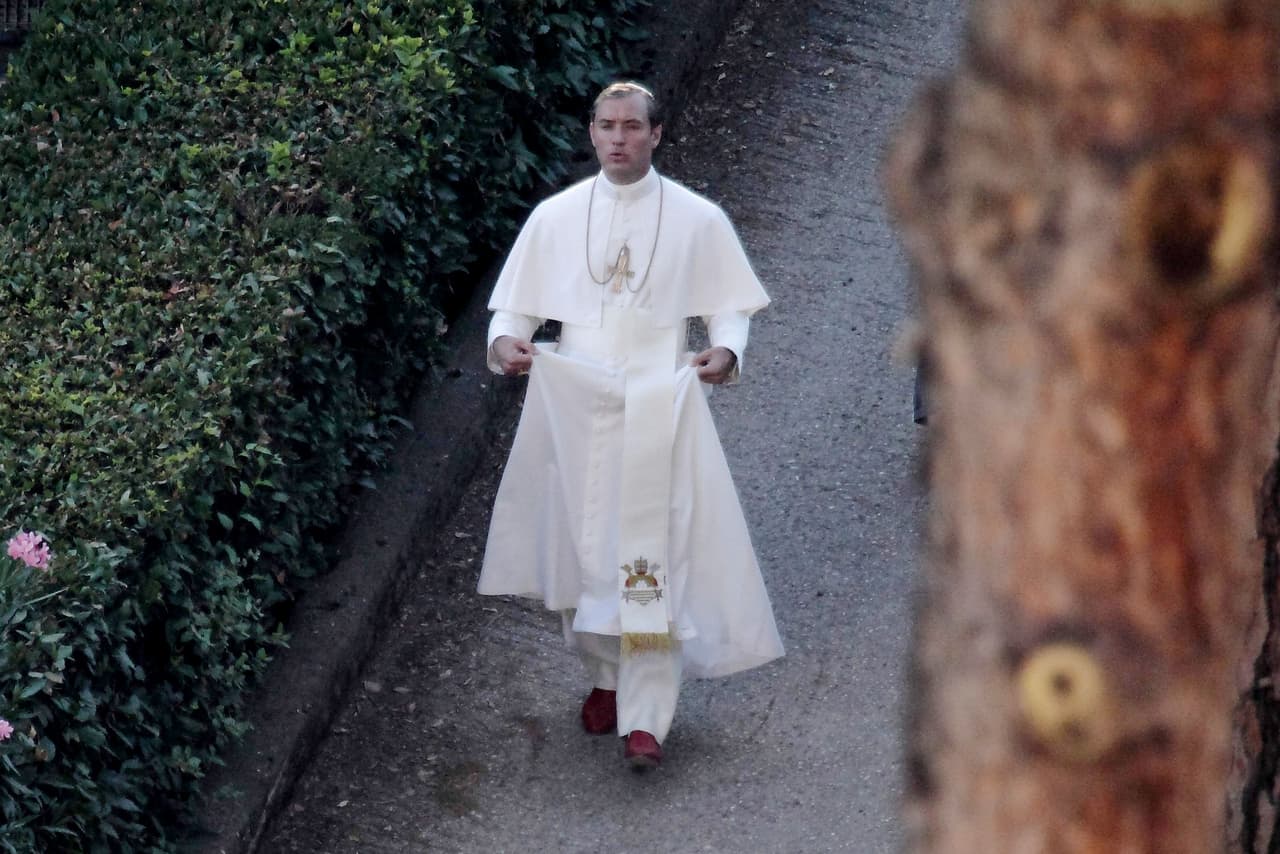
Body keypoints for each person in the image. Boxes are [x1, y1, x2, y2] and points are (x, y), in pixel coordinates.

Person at [478, 81, 783, 769]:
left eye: (631, 126)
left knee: (653, 554)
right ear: (591, 133)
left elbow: (729, 307)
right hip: (573, 402)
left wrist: (727, 350)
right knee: (581, 553)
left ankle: (646, 715)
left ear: (656, 134)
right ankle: (606, 677)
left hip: (657, 401)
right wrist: (505, 346)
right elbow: (513, 312)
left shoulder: (697, 218)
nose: (618, 138)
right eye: (606, 126)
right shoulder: (555, 218)